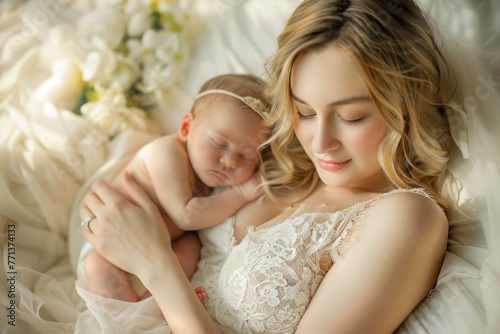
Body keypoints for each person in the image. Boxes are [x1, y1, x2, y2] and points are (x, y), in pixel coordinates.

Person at [79, 0, 455, 332]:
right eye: (304, 112)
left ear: (405, 109)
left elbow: (158, 262)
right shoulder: (276, 163)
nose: (319, 142)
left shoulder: (406, 218)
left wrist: (154, 263)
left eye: (352, 117)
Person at [78, 73, 271, 302]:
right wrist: (241, 193)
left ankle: (159, 305)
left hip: (162, 250)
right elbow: (186, 215)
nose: (230, 161)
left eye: (247, 156)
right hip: (109, 241)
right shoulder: (165, 153)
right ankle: (126, 317)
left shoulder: (211, 175)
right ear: (187, 127)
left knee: (190, 248)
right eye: (219, 143)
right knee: (97, 266)